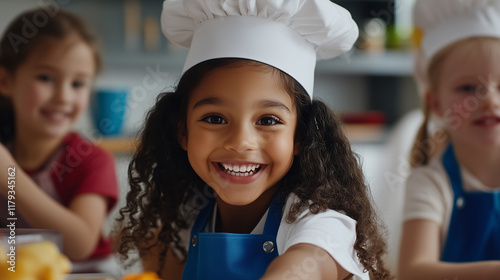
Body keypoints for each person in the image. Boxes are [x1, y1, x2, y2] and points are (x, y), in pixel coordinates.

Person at [116, 0, 391, 279]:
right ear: (183, 132)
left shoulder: (318, 223)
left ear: (300, 136)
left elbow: (304, 266)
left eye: (268, 120)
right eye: (215, 119)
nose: (240, 142)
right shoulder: (189, 215)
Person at [0, 8, 119, 273]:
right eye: (46, 78)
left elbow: (79, 245)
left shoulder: (93, 161)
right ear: (5, 81)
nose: (64, 97)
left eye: (78, 84)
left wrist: (9, 175)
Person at [398, 0, 500, 279]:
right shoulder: (431, 183)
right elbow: (412, 271)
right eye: (468, 87)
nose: (489, 100)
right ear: (435, 103)